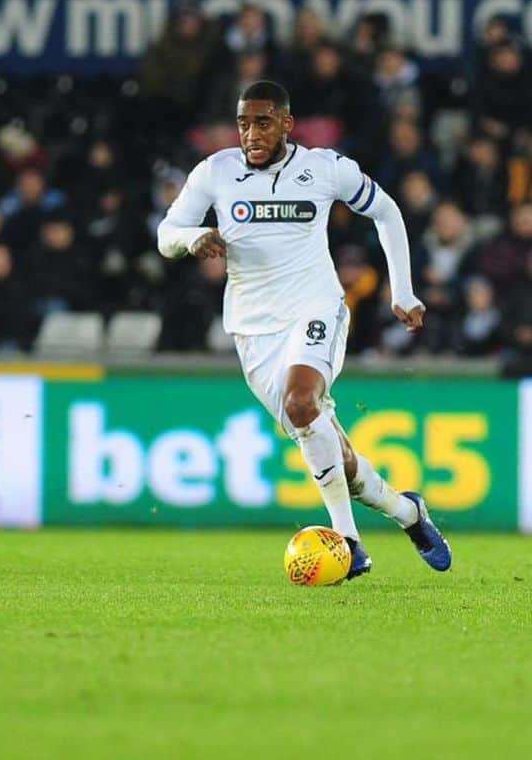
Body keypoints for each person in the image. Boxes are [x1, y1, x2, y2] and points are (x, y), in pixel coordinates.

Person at [157, 80, 451, 579]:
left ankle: (348, 543)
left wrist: (401, 291)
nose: (251, 133)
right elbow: (166, 234)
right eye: (244, 123)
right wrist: (192, 237)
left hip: (317, 308)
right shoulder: (216, 172)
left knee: (300, 402)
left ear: (287, 124)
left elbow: (386, 211)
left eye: (263, 122)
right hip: (254, 330)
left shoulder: (323, 168)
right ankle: (408, 512)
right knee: (334, 452)